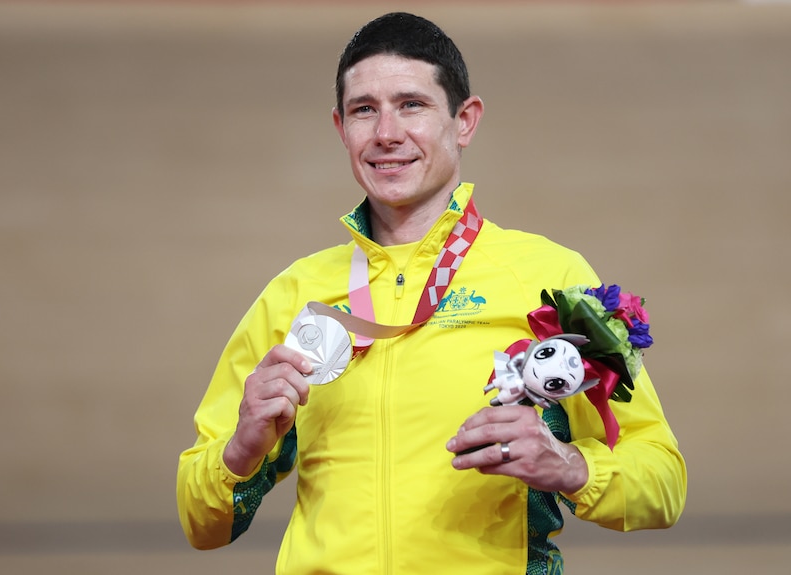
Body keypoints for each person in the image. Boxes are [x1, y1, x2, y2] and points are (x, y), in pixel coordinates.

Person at [177, 12, 687, 575]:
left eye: (411, 105)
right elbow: (203, 523)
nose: (386, 133)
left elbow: (662, 480)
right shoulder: (295, 294)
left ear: (464, 121)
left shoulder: (550, 277)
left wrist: (568, 465)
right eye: (363, 110)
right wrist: (240, 450)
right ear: (340, 128)